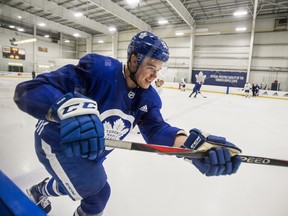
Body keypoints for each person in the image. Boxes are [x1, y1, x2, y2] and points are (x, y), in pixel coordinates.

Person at [13, 31, 242, 216]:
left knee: (74, 184)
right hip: (58, 142)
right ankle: (39, 190)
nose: (155, 75)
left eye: (159, 69)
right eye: (151, 66)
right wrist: (65, 106)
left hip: (92, 153)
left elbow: (156, 129)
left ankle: (38, 191)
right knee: (98, 196)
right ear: (134, 59)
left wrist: (188, 146)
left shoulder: (148, 97)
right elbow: (29, 90)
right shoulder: (99, 71)